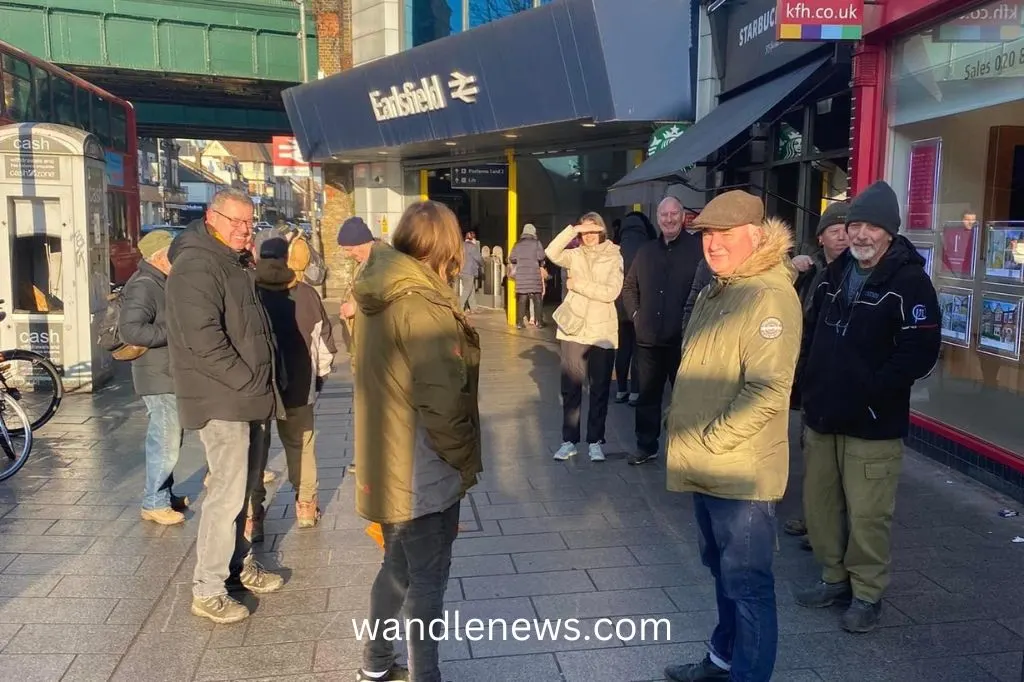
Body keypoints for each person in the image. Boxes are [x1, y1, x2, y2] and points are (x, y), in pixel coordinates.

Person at [663, 190, 802, 682]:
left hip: (739, 471)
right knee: (722, 574)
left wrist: (711, 440)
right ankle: (723, 660)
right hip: (707, 464)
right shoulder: (721, 287)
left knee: (747, 585)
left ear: (756, 236)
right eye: (707, 235)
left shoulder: (768, 295)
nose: (713, 245)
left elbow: (769, 390)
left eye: (725, 235)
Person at [795, 181, 940, 633]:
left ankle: (867, 594)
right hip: (823, 416)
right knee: (820, 506)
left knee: (868, 514)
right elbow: (810, 333)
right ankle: (833, 577)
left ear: (890, 233)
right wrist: (808, 387)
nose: (860, 235)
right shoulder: (832, 275)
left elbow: (920, 353)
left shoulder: (910, 282)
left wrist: (874, 391)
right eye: (853, 225)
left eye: (870, 227)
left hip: (873, 424)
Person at [353, 200, 482, 682]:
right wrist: (464, 458)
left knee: (397, 567)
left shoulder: (376, 291)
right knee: (428, 581)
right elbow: (444, 402)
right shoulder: (421, 303)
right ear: (447, 247)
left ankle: (376, 661)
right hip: (421, 465)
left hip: (385, 459)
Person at [165, 188, 284, 624]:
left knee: (245, 491)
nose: (243, 229)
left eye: (248, 222)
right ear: (211, 217)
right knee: (226, 495)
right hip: (223, 398)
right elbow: (203, 340)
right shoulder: (198, 265)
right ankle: (208, 588)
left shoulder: (232, 261)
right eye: (234, 220)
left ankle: (236, 569)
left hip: (248, 397)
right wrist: (246, 378)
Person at [251, 231, 337, 534]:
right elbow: (324, 342)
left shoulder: (247, 290)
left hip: (256, 385)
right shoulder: (306, 294)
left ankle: (252, 515)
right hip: (299, 383)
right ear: (288, 259)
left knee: (254, 449)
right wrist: (320, 375)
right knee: (301, 445)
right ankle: (305, 506)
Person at [784, 201, 850, 545]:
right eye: (834, 232)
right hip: (808, 373)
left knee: (838, 458)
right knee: (811, 451)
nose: (841, 238)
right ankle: (814, 518)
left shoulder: (858, 272)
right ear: (820, 237)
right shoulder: (808, 270)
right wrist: (790, 267)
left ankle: (830, 526)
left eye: (845, 231)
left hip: (841, 377)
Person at [622, 196, 703, 465]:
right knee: (647, 397)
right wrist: (635, 315)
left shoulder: (698, 250)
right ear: (657, 218)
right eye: (664, 215)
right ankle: (646, 446)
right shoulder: (646, 252)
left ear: (683, 217)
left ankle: (686, 448)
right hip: (648, 340)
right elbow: (629, 287)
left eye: (673, 214)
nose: (669, 219)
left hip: (683, 341)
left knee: (686, 398)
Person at [119, 230, 189, 525]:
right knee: (165, 439)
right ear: (160, 256)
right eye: (174, 253)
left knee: (171, 436)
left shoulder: (161, 280)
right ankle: (154, 502)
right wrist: (172, 332)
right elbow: (131, 330)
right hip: (156, 374)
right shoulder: (144, 285)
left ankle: (165, 494)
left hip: (167, 372)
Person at [546, 213, 624, 463]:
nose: (589, 236)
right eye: (585, 231)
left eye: (593, 230)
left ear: (602, 230)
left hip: (602, 332)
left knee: (600, 389)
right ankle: (569, 441)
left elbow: (611, 292)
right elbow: (551, 251)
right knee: (570, 389)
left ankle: (595, 441)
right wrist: (573, 228)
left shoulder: (614, 255)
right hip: (574, 329)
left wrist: (578, 285)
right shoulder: (575, 255)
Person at [613, 211, 655, 405]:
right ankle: (635, 392)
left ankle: (621, 389)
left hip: (619, 306)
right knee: (639, 349)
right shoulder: (647, 247)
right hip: (640, 304)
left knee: (623, 348)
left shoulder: (616, 248)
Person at [508, 223, 547, 329]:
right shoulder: (536, 243)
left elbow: (512, 257)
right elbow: (541, 256)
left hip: (522, 275)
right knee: (537, 298)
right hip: (534, 273)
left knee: (522, 299)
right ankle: (539, 322)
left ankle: (520, 323)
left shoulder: (518, 244)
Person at [459, 230, 483, 312]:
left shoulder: (461, 246)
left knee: (471, 289)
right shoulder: (473, 247)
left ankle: (473, 307)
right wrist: (482, 264)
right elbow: (478, 259)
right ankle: (459, 307)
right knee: (467, 290)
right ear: (473, 239)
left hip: (461, 271)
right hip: (469, 271)